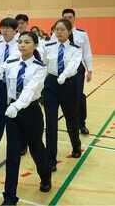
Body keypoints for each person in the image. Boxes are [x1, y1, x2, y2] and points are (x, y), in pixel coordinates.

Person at [0, 32, 51, 205]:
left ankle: (45, 174)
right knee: (12, 154)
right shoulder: (11, 62)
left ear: (35, 45)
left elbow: (29, 92)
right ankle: (10, 197)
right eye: (20, 42)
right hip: (12, 113)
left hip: (30, 112)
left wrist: (16, 106)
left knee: (36, 149)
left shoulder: (40, 68)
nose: (22, 45)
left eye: (27, 42)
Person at [43, 19, 83, 172]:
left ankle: (76, 145)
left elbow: (73, 66)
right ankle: (51, 159)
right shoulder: (48, 47)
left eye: (62, 29)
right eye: (56, 29)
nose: (58, 32)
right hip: (51, 86)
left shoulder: (75, 49)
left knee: (71, 118)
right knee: (51, 122)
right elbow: (45, 66)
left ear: (69, 31)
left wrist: (64, 75)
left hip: (68, 84)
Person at [62, 9, 93, 135]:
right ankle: (69, 123)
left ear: (74, 18)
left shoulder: (82, 34)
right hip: (62, 69)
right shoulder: (56, 33)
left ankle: (81, 123)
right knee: (63, 97)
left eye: (70, 17)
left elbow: (87, 52)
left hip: (77, 70)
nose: (68, 19)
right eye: (65, 17)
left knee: (79, 96)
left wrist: (89, 70)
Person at [0, 18, 20, 149]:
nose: (4, 30)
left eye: (8, 28)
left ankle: (20, 145)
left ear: (15, 30)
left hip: (13, 86)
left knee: (14, 122)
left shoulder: (20, 45)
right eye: (2, 27)